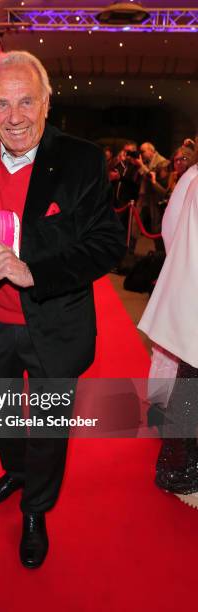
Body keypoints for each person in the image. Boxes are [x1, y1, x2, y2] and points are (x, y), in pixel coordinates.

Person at [0, 51, 126, 568]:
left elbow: (106, 244)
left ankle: (36, 508)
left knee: (49, 430)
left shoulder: (81, 160)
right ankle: (16, 471)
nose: (14, 117)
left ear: (46, 102)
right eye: (2, 104)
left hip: (56, 324)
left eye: (26, 102)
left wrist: (33, 270)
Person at [138, 172, 198, 507]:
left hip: (188, 290)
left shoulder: (193, 175)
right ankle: (177, 471)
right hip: (193, 298)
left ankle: (181, 465)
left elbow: (171, 226)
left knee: (187, 384)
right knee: (189, 388)